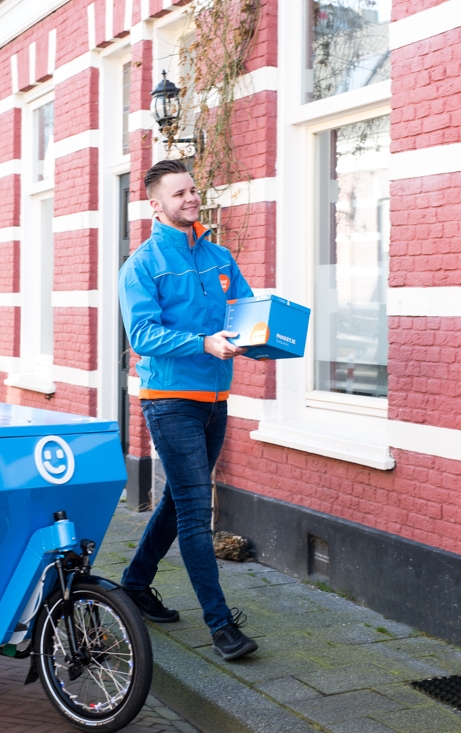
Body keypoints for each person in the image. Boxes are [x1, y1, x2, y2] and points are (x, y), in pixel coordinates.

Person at [117, 159, 259, 662]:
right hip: (170, 401)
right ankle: (221, 626)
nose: (192, 198)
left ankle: (133, 582)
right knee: (198, 512)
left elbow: (244, 313)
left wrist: (264, 334)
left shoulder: (220, 256)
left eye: (193, 190)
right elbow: (143, 336)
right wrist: (204, 343)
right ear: (156, 205)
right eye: (179, 194)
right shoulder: (143, 265)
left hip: (215, 401)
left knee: (179, 503)